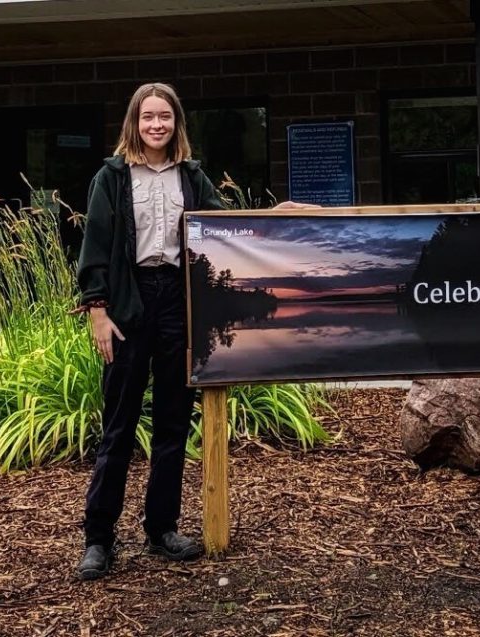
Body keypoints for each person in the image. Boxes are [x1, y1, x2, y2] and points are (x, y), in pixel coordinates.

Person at [74, 83, 309, 580]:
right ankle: (98, 538)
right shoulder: (111, 178)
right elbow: (94, 246)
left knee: (172, 424)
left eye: (165, 117)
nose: (156, 125)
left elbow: (224, 229)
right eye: (147, 117)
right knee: (118, 426)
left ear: (176, 123)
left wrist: (270, 220)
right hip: (128, 303)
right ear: (133, 123)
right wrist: (97, 309)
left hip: (177, 304)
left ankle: (161, 530)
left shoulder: (190, 176)